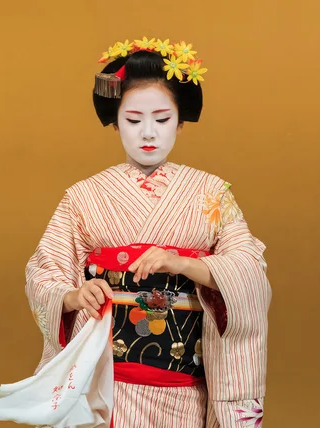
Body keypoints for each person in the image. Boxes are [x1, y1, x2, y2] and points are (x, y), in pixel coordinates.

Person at [25, 37, 271, 427]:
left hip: (186, 387)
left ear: (181, 121)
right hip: (107, 384)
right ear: (116, 121)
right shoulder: (84, 197)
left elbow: (249, 272)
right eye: (134, 120)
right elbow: (44, 272)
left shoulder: (211, 194)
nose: (148, 133)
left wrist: (183, 265)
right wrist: (74, 295)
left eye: (162, 118)